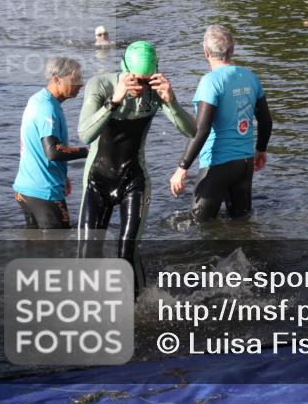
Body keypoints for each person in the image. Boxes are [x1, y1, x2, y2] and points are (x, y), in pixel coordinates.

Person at [77, 41, 196, 290]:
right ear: (125, 71)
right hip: (97, 180)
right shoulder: (101, 85)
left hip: (134, 180)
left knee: (127, 251)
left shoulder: (156, 91)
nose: (141, 86)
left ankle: (139, 305)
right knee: (88, 253)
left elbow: (191, 131)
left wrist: (172, 101)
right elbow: (85, 134)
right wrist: (114, 101)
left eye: (146, 80)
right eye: (135, 80)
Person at [170, 25, 273, 221]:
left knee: (199, 224)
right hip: (244, 164)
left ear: (205, 52)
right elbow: (266, 120)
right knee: (241, 223)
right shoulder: (251, 77)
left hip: (217, 165)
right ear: (232, 50)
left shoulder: (210, 82)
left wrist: (182, 168)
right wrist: (261, 150)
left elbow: (201, 130)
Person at [13, 57, 89, 229]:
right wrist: (87, 151)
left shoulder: (37, 99)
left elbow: (36, 145)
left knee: (36, 243)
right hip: (44, 192)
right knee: (60, 243)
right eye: (75, 79)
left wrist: (62, 175)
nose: (81, 84)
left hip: (25, 189)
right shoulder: (47, 108)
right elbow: (53, 151)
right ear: (57, 79)